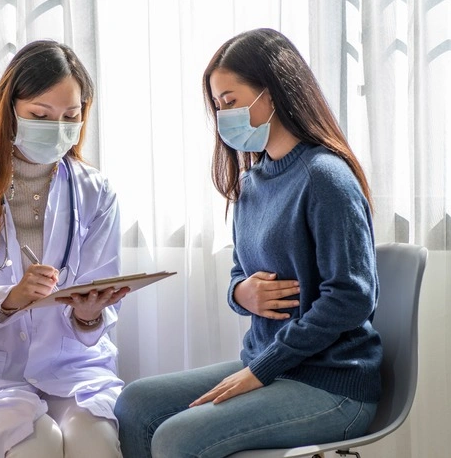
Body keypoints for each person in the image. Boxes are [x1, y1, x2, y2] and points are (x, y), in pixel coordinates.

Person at [114, 28, 382, 457]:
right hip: (272, 365)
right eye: (218, 106)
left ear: (271, 94)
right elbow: (241, 272)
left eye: (230, 101)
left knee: (176, 437)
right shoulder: (252, 183)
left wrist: (262, 369)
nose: (223, 116)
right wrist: (241, 292)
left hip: (331, 383)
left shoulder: (324, 177)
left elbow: (352, 297)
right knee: (136, 404)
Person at [0, 40, 129, 458]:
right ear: (9, 109)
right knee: (38, 443)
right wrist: (10, 300)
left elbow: (100, 295)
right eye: (40, 115)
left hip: (70, 365)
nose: (57, 128)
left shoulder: (96, 192)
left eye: (70, 116)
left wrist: (89, 315)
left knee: (96, 444)